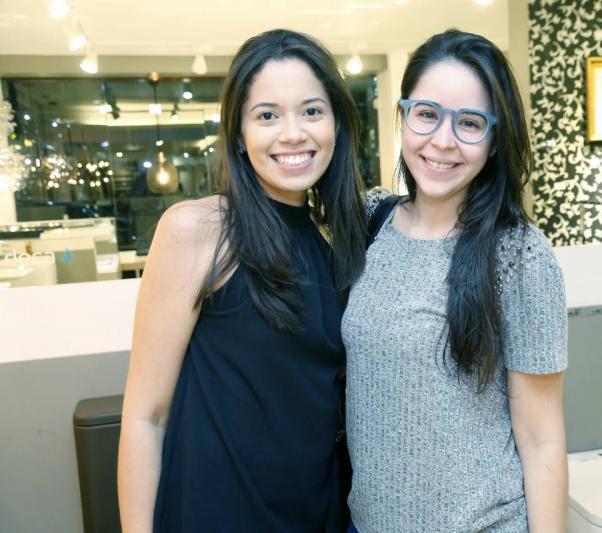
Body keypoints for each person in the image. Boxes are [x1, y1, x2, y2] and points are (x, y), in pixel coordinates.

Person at [117, 29, 366, 533]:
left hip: (318, 510)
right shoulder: (199, 230)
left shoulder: (337, 238)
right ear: (238, 133)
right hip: (218, 512)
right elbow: (146, 417)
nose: (292, 133)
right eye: (267, 115)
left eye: (311, 111)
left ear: (336, 123)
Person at [343, 29, 568, 532]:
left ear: (494, 140)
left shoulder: (519, 255)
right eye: (427, 114)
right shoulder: (370, 221)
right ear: (403, 117)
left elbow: (542, 439)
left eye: (469, 123)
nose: (443, 141)